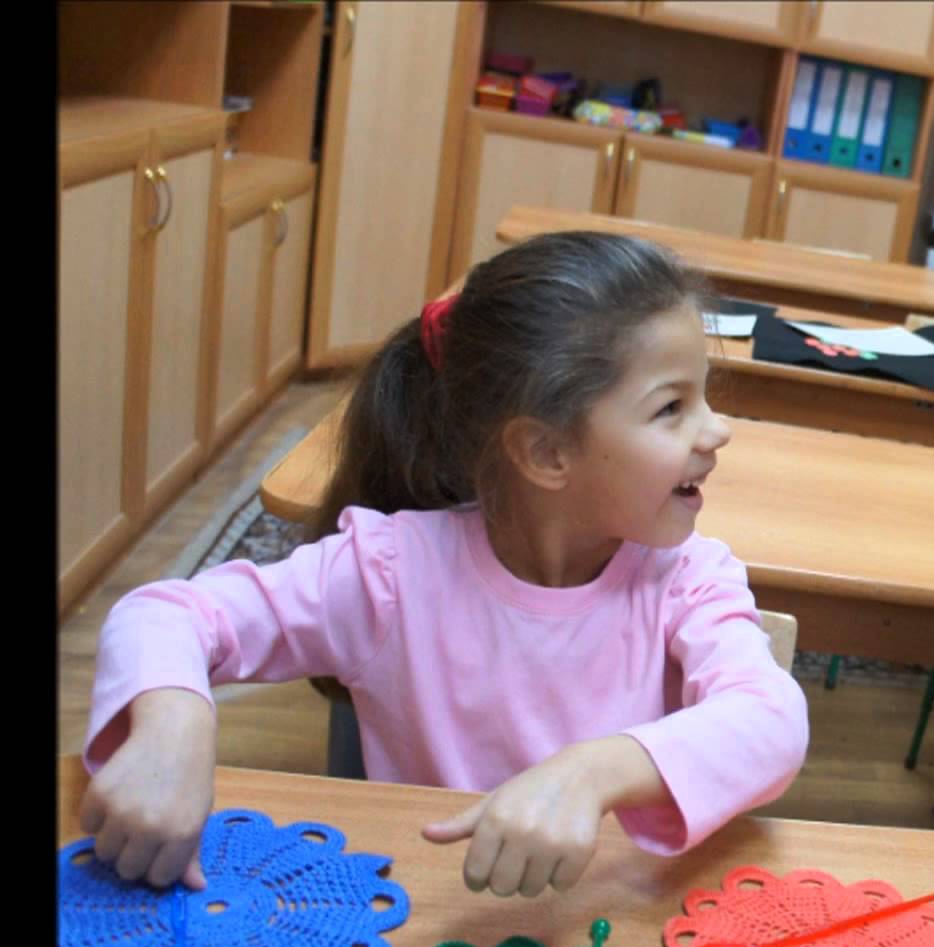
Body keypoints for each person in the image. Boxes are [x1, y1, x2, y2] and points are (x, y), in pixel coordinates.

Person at [79, 231, 809, 900]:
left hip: (607, 935)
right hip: (423, 923)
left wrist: (592, 774)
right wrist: (173, 723)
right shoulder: (390, 574)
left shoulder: (686, 577)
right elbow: (167, 613)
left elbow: (770, 720)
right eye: (671, 408)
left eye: (703, 396)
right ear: (546, 453)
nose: (718, 429)